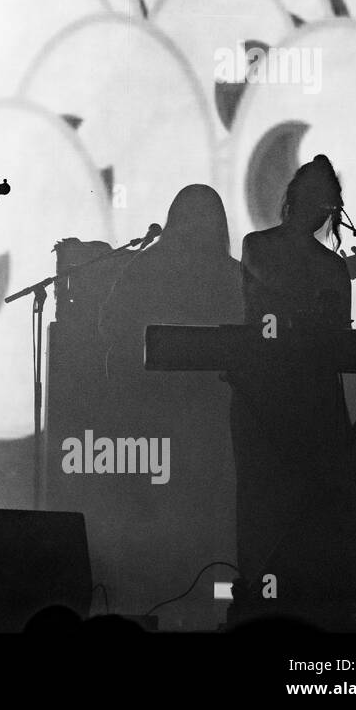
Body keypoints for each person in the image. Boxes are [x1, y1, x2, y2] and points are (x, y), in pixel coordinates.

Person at [229, 154, 356, 628]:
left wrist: (348, 271)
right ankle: (260, 600)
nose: (321, 211)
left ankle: (317, 602)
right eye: (318, 199)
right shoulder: (257, 246)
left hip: (313, 394)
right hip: (264, 392)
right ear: (298, 199)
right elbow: (275, 298)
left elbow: (338, 329)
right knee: (265, 496)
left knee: (316, 499)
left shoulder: (328, 264)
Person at [96, 184, 243, 623]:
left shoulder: (231, 275)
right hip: (157, 419)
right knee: (161, 517)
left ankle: (198, 603)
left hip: (204, 421)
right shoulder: (147, 270)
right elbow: (112, 332)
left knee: (201, 517)